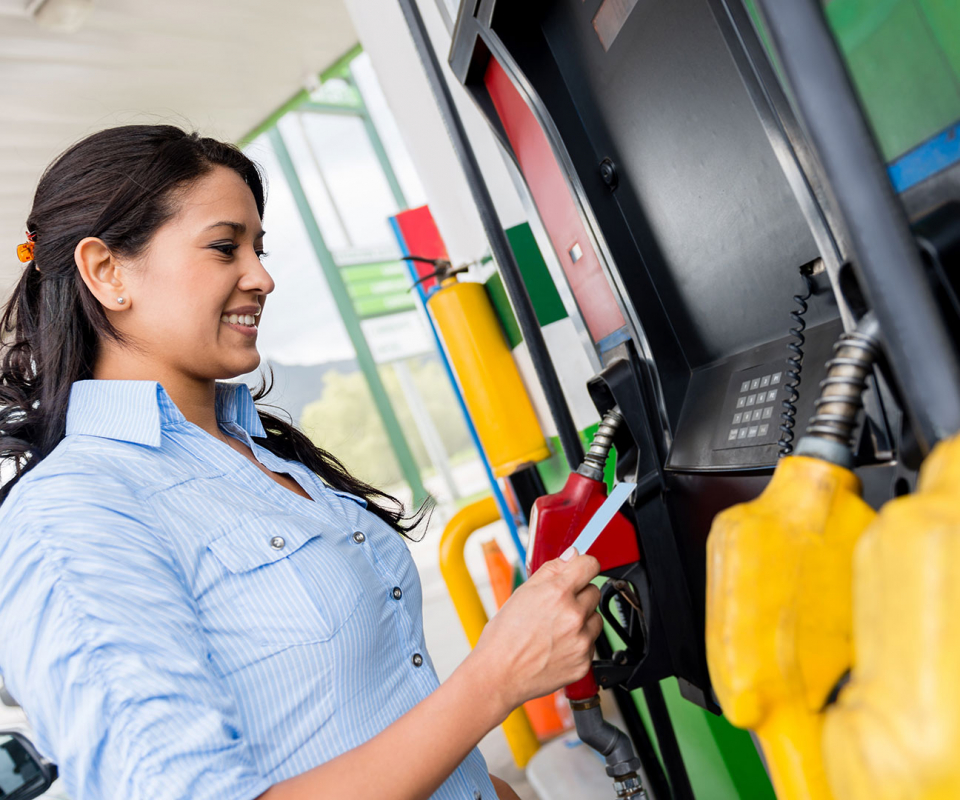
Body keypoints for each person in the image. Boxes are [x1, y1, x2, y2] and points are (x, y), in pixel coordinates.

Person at [0, 125, 603, 800]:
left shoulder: (260, 455)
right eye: (225, 247)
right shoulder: (73, 515)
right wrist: (494, 680)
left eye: (259, 249)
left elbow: (354, 722)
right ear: (107, 272)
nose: (262, 277)